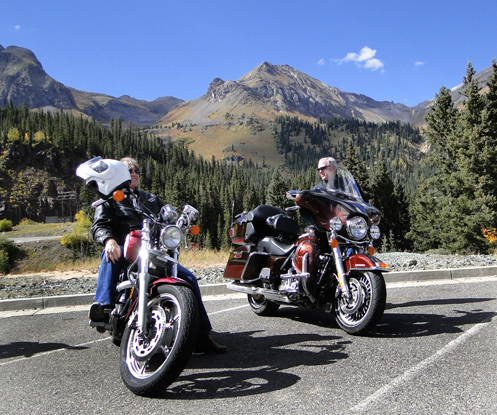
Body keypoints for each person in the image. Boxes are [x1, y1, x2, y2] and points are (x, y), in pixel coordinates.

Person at [88, 157, 227, 354]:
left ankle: (201, 335)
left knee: (189, 278)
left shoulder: (150, 199)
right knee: (110, 255)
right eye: (129, 170)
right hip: (124, 248)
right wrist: (108, 239)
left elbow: (167, 220)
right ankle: (103, 307)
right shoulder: (111, 196)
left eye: (136, 170)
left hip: (152, 251)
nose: (134, 173)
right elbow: (100, 224)